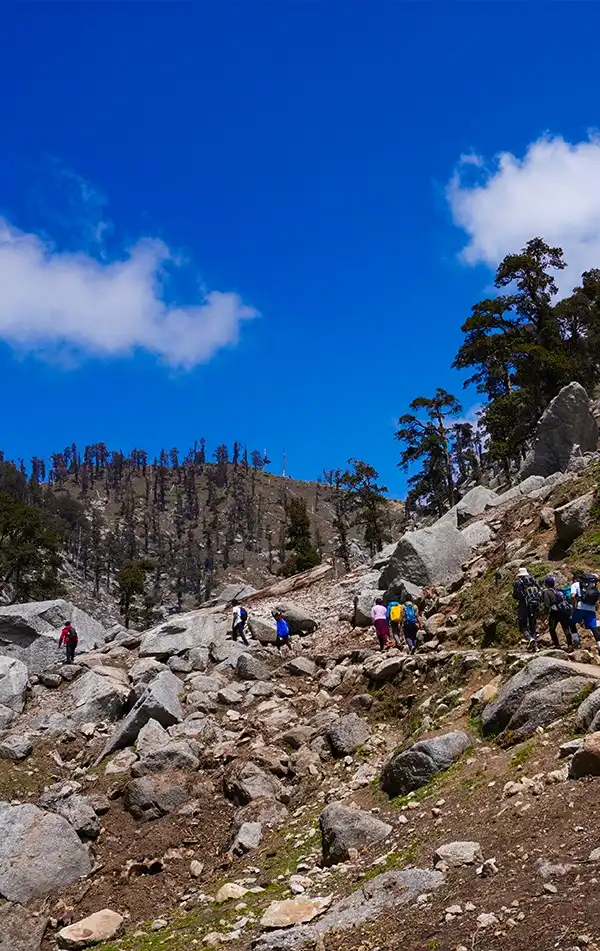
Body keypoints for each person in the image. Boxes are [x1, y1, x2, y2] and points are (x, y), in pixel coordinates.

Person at [542, 575, 577, 650]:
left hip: (554, 613)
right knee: (566, 628)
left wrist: (545, 617)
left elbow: (547, 605)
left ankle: (557, 645)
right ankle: (570, 645)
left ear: (546, 584)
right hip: (564, 611)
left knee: (552, 629)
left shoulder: (547, 592)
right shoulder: (558, 590)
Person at [570, 571, 600, 654]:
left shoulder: (575, 585)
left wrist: (574, 606)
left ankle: (576, 641)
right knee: (594, 628)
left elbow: (572, 596)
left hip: (580, 608)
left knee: (571, 622)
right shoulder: (593, 585)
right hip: (591, 609)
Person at [513, 567, 542, 649]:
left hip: (524, 605)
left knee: (522, 625)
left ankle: (530, 639)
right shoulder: (534, 580)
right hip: (535, 605)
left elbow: (515, 595)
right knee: (533, 625)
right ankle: (536, 646)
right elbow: (540, 591)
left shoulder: (519, 582)